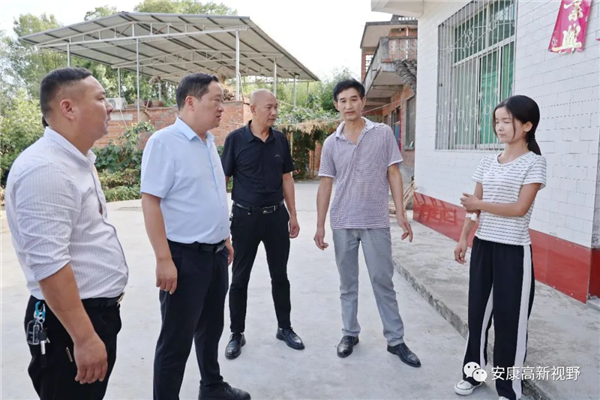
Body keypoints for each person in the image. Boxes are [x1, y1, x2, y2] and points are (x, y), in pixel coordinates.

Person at [5, 67, 129, 400]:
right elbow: (50, 265)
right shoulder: (46, 170)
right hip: (69, 325)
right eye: (101, 98)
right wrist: (85, 338)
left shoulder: (75, 161)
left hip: (90, 315)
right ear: (68, 108)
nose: (110, 107)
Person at [141, 73, 250, 400]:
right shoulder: (164, 143)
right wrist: (163, 259)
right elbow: (150, 202)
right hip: (183, 259)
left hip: (215, 255)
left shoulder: (208, 142)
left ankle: (211, 387)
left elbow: (211, 194)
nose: (222, 107)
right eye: (216, 100)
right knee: (175, 341)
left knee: (211, 329)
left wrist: (224, 237)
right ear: (190, 101)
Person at [314, 79, 421, 367]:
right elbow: (325, 185)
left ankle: (396, 340)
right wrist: (320, 225)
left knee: (382, 280)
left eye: (354, 99)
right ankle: (350, 333)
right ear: (336, 105)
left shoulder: (382, 133)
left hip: (375, 221)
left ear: (362, 102)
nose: (348, 105)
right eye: (343, 101)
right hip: (343, 221)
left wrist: (401, 213)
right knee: (347, 283)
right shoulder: (331, 143)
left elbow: (394, 173)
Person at [453, 95, 546, 400]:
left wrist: (478, 205)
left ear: (527, 126)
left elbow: (519, 209)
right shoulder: (487, 162)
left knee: (510, 322)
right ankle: (473, 374)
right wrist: (464, 237)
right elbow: (473, 209)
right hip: (484, 246)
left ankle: (509, 388)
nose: (500, 127)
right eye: (497, 121)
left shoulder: (535, 163)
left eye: (507, 121)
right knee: (477, 316)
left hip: (514, 251)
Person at [221, 89, 304, 359]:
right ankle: (236, 333)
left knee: (280, 276)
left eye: (276, 107)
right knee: (240, 278)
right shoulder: (235, 140)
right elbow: (222, 181)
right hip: (244, 219)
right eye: (269, 107)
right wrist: (220, 224)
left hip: (276, 218)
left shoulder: (280, 140)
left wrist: (293, 214)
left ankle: (285, 327)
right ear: (253, 109)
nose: (274, 112)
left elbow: (287, 178)